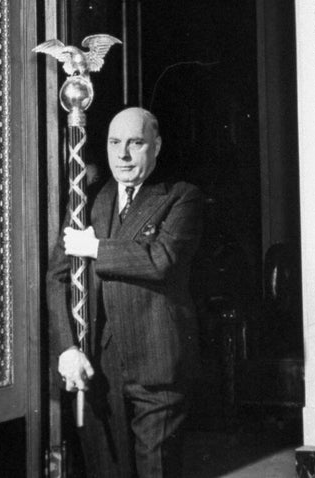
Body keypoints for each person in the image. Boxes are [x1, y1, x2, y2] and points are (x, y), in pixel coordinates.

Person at [47, 107, 204, 477]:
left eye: (136, 143)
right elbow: (58, 277)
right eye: (115, 143)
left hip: (158, 367)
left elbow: (161, 259)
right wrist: (68, 347)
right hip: (99, 366)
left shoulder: (181, 197)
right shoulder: (86, 200)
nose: (123, 155)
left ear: (156, 145)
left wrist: (96, 248)